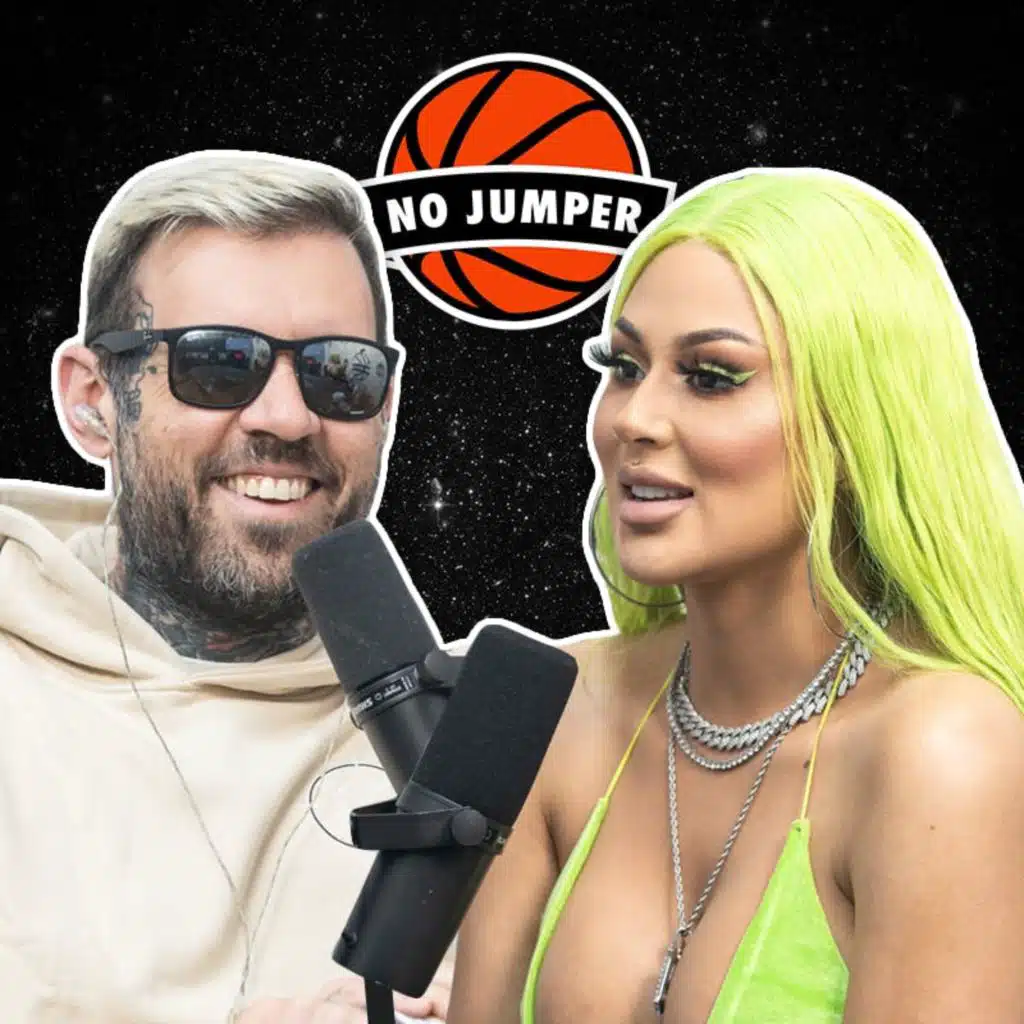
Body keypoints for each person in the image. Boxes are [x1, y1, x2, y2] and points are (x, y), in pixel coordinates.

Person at [447, 168, 1024, 1022]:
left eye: (711, 376)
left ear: (857, 418)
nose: (633, 418)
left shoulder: (943, 750)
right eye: (625, 366)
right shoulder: (554, 707)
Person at [0, 151, 452, 1023]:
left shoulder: (477, 749)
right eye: (217, 364)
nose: (288, 417)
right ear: (93, 399)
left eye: (341, 372)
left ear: (388, 406)